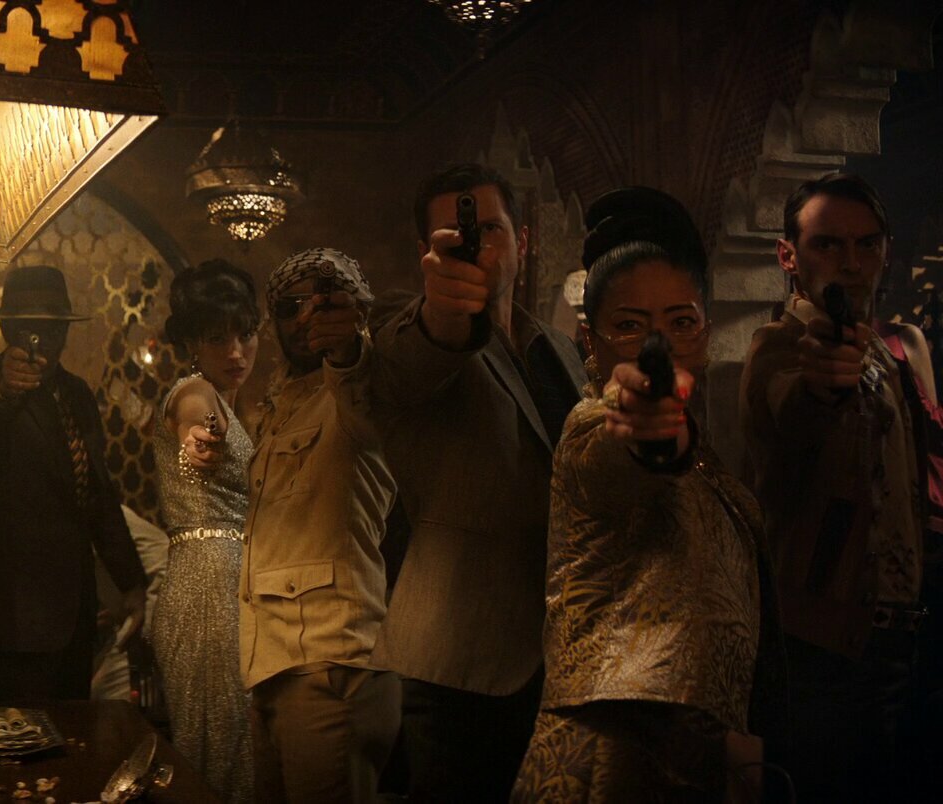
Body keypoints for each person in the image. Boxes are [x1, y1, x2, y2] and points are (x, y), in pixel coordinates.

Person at [512, 188, 779, 802]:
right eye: (630, 326)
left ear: (706, 332)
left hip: (692, 755)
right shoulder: (591, 425)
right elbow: (625, 454)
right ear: (590, 340)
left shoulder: (709, 462)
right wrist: (649, 432)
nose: (660, 342)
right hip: (612, 753)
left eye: (681, 322)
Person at [367, 163, 585, 801]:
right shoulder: (409, 323)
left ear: (524, 240)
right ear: (426, 252)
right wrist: (443, 313)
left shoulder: (558, 348)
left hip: (563, 654)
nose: (476, 244)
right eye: (456, 234)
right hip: (462, 662)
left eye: (491, 228)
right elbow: (408, 363)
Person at [742, 172, 932, 801]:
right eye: (827, 244)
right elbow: (792, 407)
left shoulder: (892, 351)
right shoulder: (778, 348)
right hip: (823, 654)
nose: (850, 263)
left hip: (902, 641)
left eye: (866, 244)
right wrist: (822, 386)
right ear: (788, 256)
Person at [238, 249, 401, 803]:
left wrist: (348, 345)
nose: (306, 316)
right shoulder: (280, 405)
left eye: (323, 300)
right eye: (290, 306)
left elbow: (362, 388)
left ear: (356, 308)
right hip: (275, 665)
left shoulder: (363, 386)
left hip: (332, 666)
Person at [0, 265, 147, 702]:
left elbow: (99, 495)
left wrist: (131, 582)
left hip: (75, 604)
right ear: (8, 330)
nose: (43, 340)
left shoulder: (76, 393)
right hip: (15, 602)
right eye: (31, 329)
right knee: (19, 732)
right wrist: (7, 389)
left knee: (73, 731)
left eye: (55, 328)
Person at [148, 259, 260, 802]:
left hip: (232, 583)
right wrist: (198, 441)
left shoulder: (236, 404)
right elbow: (195, 423)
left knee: (238, 744)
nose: (236, 352)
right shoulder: (194, 391)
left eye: (246, 334)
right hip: (208, 588)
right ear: (193, 343)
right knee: (219, 750)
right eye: (218, 338)